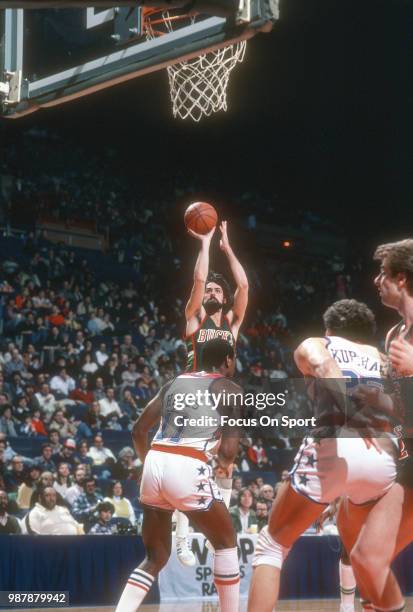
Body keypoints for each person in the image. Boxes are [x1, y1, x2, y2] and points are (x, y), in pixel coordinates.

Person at [248, 299, 399, 612]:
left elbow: (321, 365)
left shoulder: (318, 343)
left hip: (335, 443)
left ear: (330, 327)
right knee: (365, 554)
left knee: (272, 545)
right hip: (382, 454)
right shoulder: (383, 358)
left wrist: (350, 410)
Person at [115, 339, 243, 612]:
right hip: (188, 463)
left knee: (156, 557)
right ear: (228, 360)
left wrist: (148, 463)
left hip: (155, 461)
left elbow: (138, 430)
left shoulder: (174, 382)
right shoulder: (229, 389)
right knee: (226, 542)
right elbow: (229, 453)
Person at [336, 239, 413, 611]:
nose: (376, 280)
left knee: (368, 560)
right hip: (407, 456)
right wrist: (374, 401)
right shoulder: (394, 336)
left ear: (401, 279)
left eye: (383, 273)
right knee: (366, 563)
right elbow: (403, 409)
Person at [174, 220, 249, 566]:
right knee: (191, 462)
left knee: (229, 456)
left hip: (225, 394)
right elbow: (199, 280)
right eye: (210, 293)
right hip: (195, 391)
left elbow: (244, 284)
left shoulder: (233, 323)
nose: (214, 293)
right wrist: (205, 243)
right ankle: (182, 537)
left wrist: (227, 248)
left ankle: (222, 519)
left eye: (219, 291)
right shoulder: (194, 320)